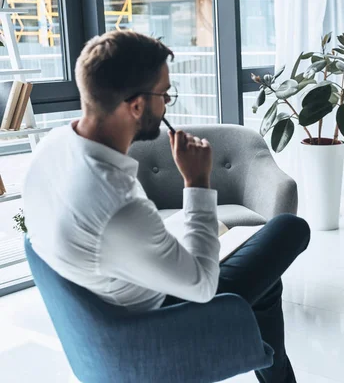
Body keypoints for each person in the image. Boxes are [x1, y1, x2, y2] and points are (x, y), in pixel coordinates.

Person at [22, 30, 309, 382]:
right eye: (165, 95)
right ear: (137, 105)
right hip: (161, 317)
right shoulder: (117, 206)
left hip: (117, 284)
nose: (167, 105)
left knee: (267, 284)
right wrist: (197, 182)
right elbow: (202, 286)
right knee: (289, 229)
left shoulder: (51, 147)